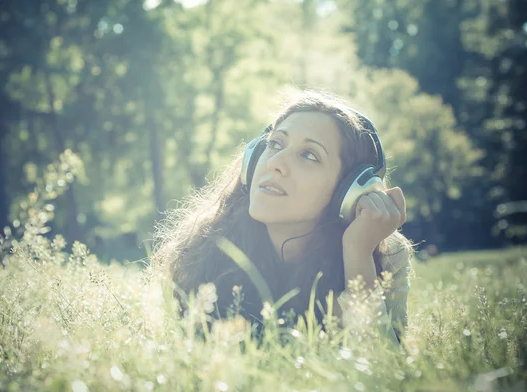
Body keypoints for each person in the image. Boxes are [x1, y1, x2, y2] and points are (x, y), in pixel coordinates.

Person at [150, 90, 415, 344]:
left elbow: (380, 371)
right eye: (275, 143)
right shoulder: (200, 251)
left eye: (309, 155)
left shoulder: (384, 255)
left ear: (348, 192)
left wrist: (358, 256)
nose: (275, 162)